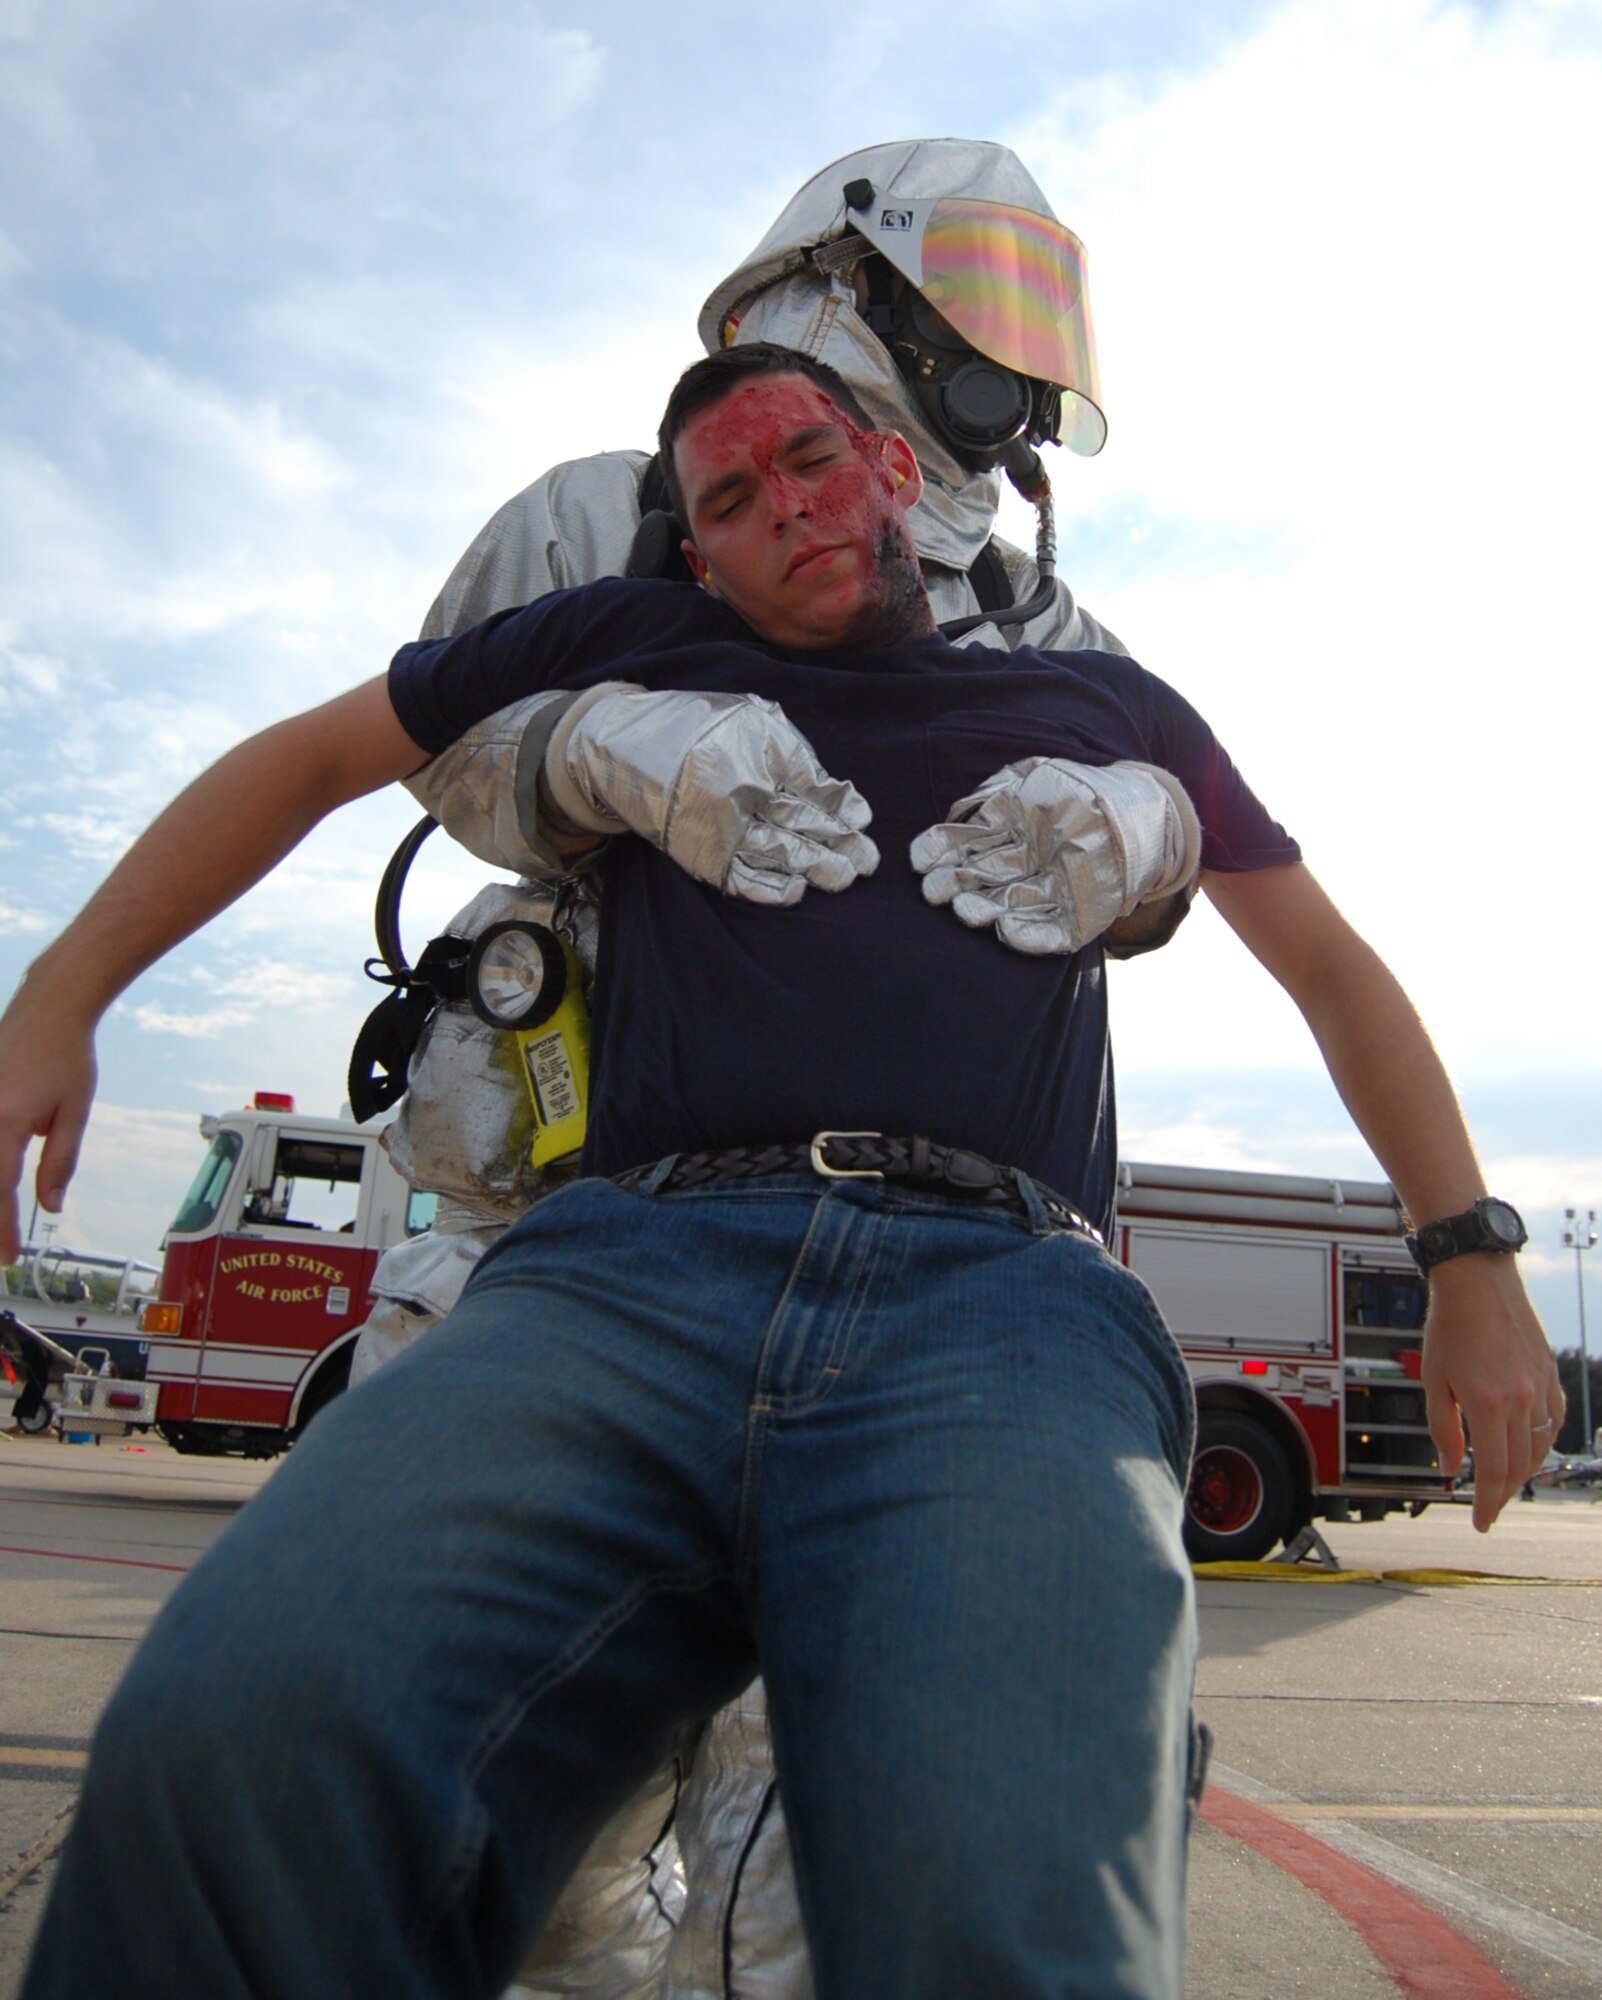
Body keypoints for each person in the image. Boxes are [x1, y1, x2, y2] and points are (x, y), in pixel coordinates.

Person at [5, 344, 1561, 2000]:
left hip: (1000, 1296)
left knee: (1002, 1885)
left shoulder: (1110, 709)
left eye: (809, 459)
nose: (784, 512)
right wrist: (56, 997)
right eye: (729, 502)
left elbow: (1327, 965)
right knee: (224, 1747)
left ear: (891, 468)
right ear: (695, 550)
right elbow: (312, 758)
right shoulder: (634, 642)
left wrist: (1469, 1259)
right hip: (624, 1274)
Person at [352, 136, 1144, 2000]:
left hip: (901, 1291)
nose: (1014, 359)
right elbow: (429, 742)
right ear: (846, 285)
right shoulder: (606, 518)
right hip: (556, 1241)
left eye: (1043, 311)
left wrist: (1138, 828)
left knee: (819, 1859)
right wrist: (602, 741)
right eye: (985, 291)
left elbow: (1185, 833)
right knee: (496, 1809)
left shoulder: (1039, 621)